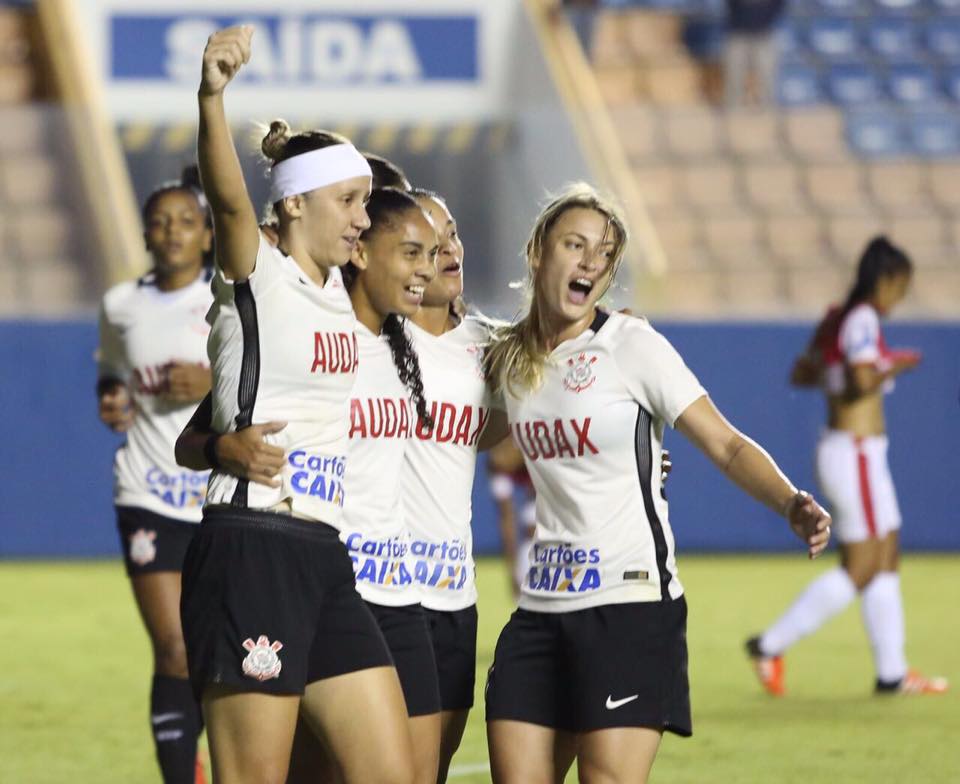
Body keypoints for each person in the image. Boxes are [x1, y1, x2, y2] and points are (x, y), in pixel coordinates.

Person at [482, 183, 831, 784]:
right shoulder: (507, 361)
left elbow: (724, 443)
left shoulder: (632, 346)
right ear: (538, 251)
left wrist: (789, 501)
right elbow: (456, 433)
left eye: (605, 254)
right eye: (576, 244)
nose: (591, 261)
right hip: (540, 608)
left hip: (629, 605)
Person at [178, 25, 414, 784]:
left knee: (389, 772)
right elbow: (227, 200)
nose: (360, 218)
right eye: (348, 201)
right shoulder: (259, 275)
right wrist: (214, 96)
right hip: (253, 546)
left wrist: (216, 444)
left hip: (322, 552)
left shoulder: (340, 298)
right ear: (296, 203)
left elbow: (196, 434)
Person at [747, 237, 949, 697]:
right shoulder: (861, 318)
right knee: (863, 565)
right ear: (886, 280)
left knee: (886, 554)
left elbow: (804, 373)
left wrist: (841, 375)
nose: (901, 297)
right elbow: (860, 381)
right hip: (854, 451)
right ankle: (771, 644)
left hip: (854, 451)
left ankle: (892, 672)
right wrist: (892, 366)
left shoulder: (838, 319)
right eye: (901, 287)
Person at [96, 166, 213, 784]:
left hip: (219, 499)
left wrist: (211, 381)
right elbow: (113, 373)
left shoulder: (230, 302)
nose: (172, 233)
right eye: (161, 222)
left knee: (229, 657)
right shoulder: (121, 305)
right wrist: (112, 396)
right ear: (145, 233)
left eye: (186, 222)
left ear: (207, 236)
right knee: (173, 649)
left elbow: (276, 380)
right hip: (148, 493)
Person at [402, 188, 509, 782]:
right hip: (379, 588)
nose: (449, 250)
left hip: (453, 591)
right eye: (429, 241)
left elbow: (509, 425)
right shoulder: (373, 338)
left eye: (454, 234)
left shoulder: (490, 348)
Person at [487, 435, 538, 599]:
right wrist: (512, 572)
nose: (499, 457)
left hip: (537, 470)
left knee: (532, 525)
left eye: (503, 451)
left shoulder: (538, 449)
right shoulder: (495, 464)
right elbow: (506, 518)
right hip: (525, 469)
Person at [723, 0, 787, 105]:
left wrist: (767, 20)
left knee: (768, 78)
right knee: (734, 77)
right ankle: (732, 114)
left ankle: (769, 114)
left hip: (764, 34)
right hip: (738, 34)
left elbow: (779, 5)